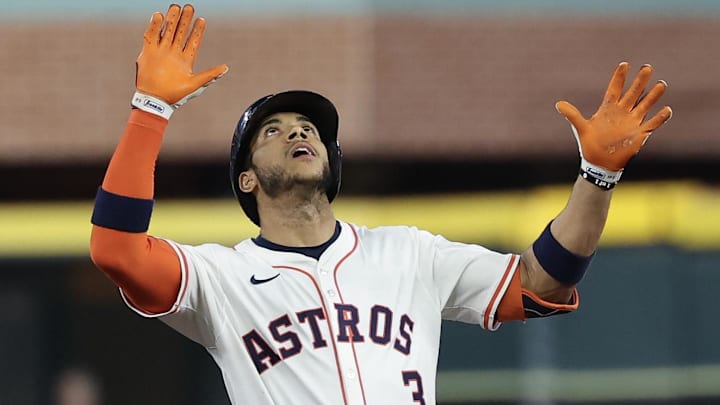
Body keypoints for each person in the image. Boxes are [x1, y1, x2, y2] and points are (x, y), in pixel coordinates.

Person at [89, 3, 673, 404]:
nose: (299, 134)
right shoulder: (222, 277)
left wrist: (596, 176)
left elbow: (542, 284)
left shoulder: (409, 254)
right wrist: (150, 110)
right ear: (246, 181)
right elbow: (116, 249)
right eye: (274, 131)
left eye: (309, 128)